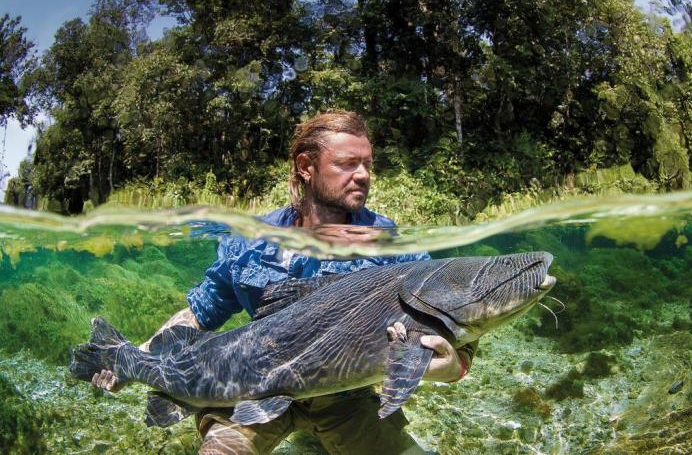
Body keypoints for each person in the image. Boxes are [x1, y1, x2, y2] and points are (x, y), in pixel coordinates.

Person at [92, 110, 477, 454]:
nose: (363, 175)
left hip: (344, 398)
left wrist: (450, 369)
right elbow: (199, 313)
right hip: (250, 387)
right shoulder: (248, 240)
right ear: (306, 166)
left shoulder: (391, 243)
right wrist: (134, 357)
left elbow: (456, 321)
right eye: (347, 164)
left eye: (367, 164)